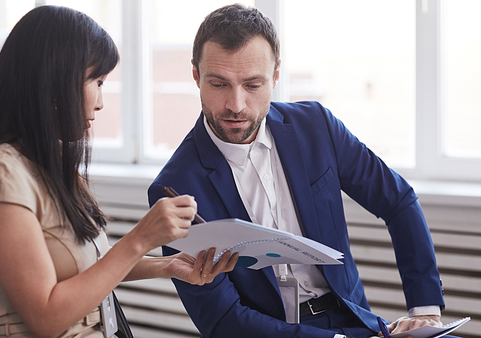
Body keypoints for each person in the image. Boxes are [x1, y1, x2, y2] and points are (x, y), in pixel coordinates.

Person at [148, 4, 449, 338]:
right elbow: (222, 320)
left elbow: (397, 200)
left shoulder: (316, 126)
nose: (236, 105)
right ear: (196, 76)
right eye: (219, 85)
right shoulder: (173, 188)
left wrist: (426, 311)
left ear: (276, 76)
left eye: (252, 85)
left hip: (358, 323)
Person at [0, 6, 238, 338]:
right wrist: (140, 239)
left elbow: (84, 269)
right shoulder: (0, 173)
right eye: (97, 81)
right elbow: (45, 318)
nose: (101, 102)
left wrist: (167, 266)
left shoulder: (45, 162)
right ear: (55, 80)